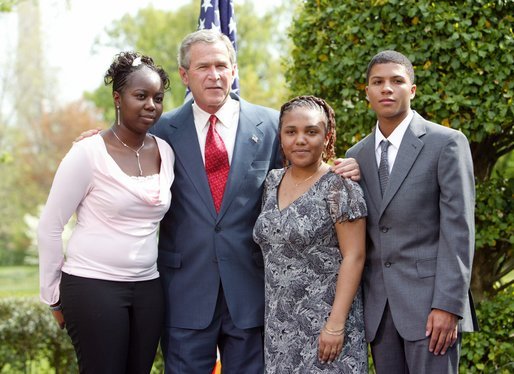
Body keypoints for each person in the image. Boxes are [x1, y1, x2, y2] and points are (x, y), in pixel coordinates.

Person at [76, 29, 360, 372]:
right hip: (185, 292)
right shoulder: (161, 131)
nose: (214, 75)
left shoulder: (273, 126)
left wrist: (345, 166)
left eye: (222, 66)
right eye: (203, 67)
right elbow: (120, 148)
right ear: (184, 75)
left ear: (234, 69)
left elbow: (303, 173)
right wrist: (94, 140)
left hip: (251, 293)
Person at [38, 51, 174, 374]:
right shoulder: (87, 154)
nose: (150, 105)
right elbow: (49, 227)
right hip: (92, 287)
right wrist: (53, 295)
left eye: (157, 98)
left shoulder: (166, 152)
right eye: (140, 96)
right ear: (117, 97)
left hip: (147, 289)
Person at [346, 50, 478, 373]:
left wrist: (448, 305)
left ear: (412, 89)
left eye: (396, 81)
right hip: (379, 311)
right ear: (367, 93)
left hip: (432, 310)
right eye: (377, 82)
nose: (386, 89)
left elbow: (459, 231)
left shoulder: (446, 143)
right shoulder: (356, 156)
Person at [253, 96, 368, 373]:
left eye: (311, 131)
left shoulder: (340, 187)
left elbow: (355, 256)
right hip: (280, 327)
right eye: (291, 132)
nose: (300, 140)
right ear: (281, 137)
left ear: (327, 137)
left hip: (327, 326)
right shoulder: (271, 182)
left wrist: (335, 324)